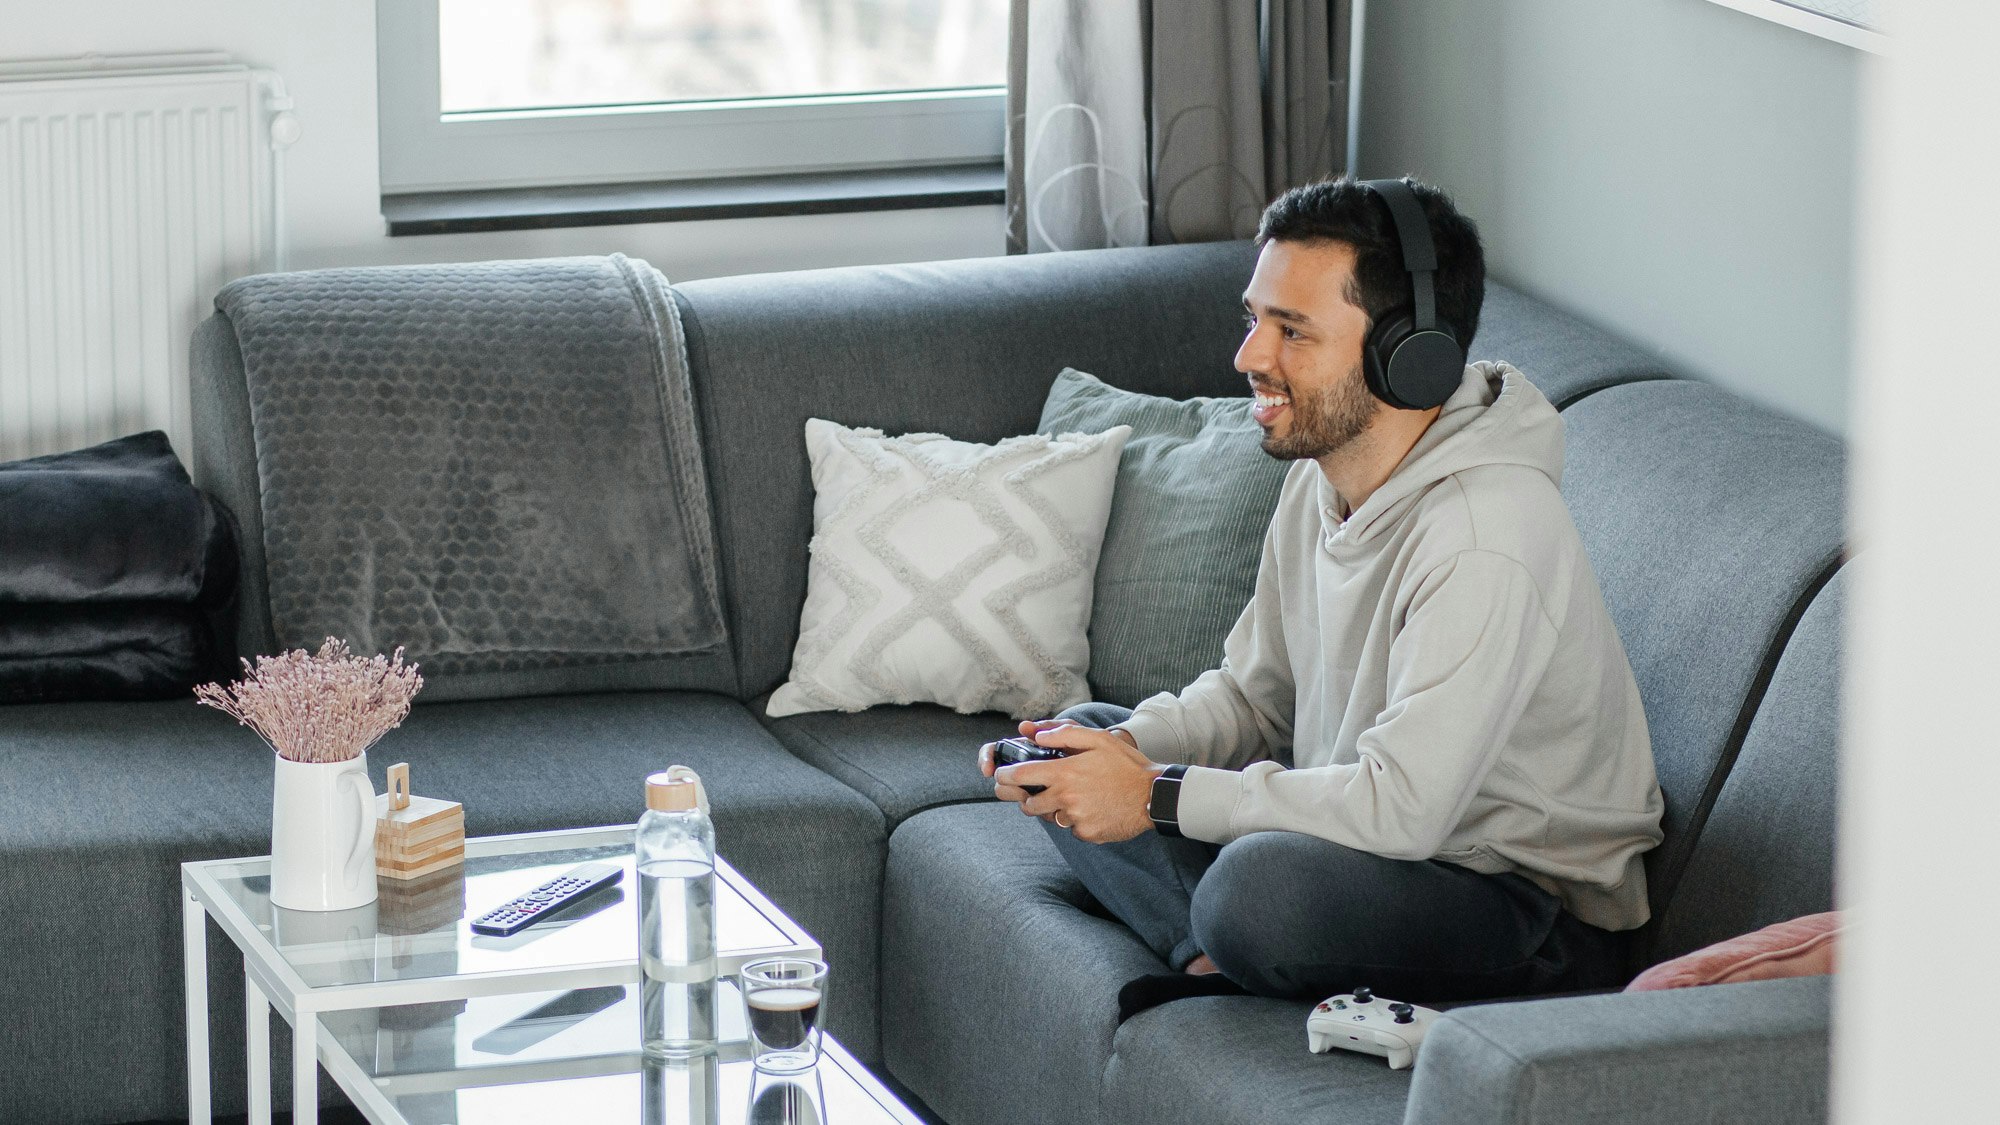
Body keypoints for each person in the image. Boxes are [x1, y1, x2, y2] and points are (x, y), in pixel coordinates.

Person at [979, 176, 1665, 1010]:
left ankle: (1227, 938)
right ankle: (1215, 959)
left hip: (1519, 905)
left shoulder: (1488, 533)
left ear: (1409, 354)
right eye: (1254, 319)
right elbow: (1253, 699)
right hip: (1366, 848)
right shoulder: (1321, 477)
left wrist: (1152, 793)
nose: (1248, 358)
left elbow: (1402, 808)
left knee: (1256, 891)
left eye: (1292, 331)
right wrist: (1113, 757)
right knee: (1085, 737)